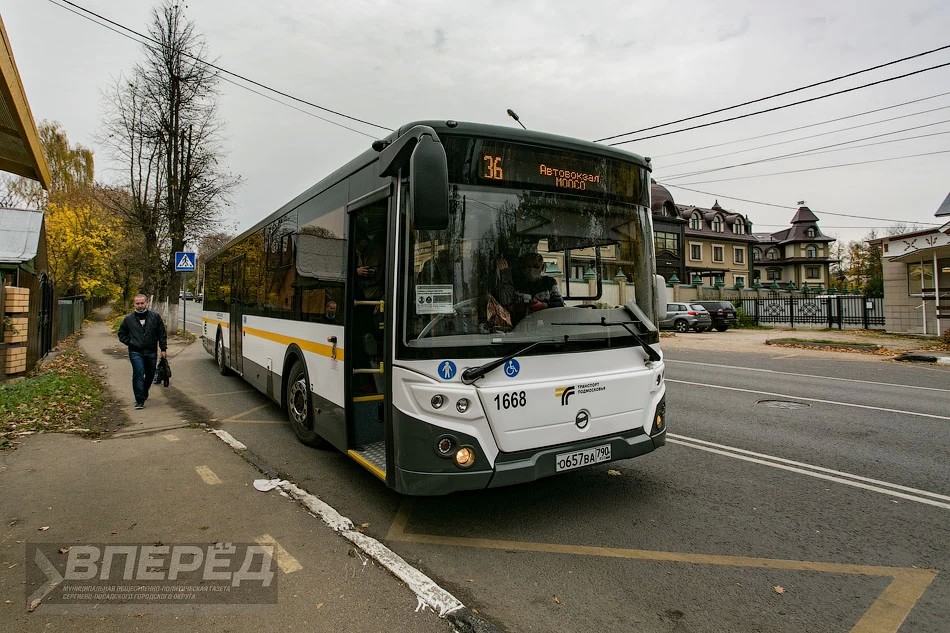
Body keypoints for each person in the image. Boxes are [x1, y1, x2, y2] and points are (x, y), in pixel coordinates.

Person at [117, 294, 168, 410]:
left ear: (147, 303)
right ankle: (139, 400)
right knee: (139, 373)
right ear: (134, 304)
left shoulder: (155, 317)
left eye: (142, 303)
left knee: (150, 375)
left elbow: (161, 333)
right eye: (137, 303)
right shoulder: (129, 319)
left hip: (151, 351)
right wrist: (131, 342)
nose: (140, 306)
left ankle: (144, 392)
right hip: (136, 352)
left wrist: (163, 349)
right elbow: (121, 334)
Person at [497, 252, 564, 319]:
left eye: (536, 267)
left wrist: (543, 305)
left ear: (542, 267)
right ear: (523, 269)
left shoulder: (549, 282)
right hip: (521, 324)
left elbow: (559, 303)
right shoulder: (516, 282)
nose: (531, 270)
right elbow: (505, 305)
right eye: (528, 267)